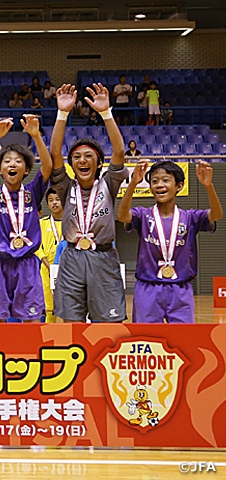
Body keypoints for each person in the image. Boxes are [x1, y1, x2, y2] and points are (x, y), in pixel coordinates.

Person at [49, 83, 129, 323]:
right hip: (72, 257)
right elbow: (54, 153)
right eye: (76, 157)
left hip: (103, 258)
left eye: (88, 156)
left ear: (98, 163)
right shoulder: (65, 186)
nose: (82, 160)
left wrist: (106, 113)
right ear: (72, 164)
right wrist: (63, 114)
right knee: (72, 324)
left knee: (108, 325)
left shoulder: (109, 183)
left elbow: (119, 150)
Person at [117, 160, 222, 323]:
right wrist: (133, 183)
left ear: (179, 186)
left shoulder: (190, 217)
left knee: (183, 340)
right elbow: (122, 216)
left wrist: (208, 186)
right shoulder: (143, 215)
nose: (159, 185)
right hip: (147, 288)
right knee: (148, 339)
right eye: (154, 181)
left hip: (180, 289)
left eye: (165, 180)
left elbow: (216, 215)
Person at [0, 115, 52, 323]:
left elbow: (47, 167)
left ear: (26, 170)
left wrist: (36, 136)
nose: (12, 164)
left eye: (18, 161)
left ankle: (31, 356)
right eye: (7, 161)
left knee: (32, 320)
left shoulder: (32, 192)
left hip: (27, 264)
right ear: (0, 170)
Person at [36, 188, 63, 323]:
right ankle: (48, 338)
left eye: (58, 199)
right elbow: (37, 247)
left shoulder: (72, 223)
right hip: (46, 270)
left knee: (70, 307)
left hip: (68, 269)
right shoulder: (42, 223)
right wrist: (47, 263)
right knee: (49, 308)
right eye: (51, 200)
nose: (55, 203)